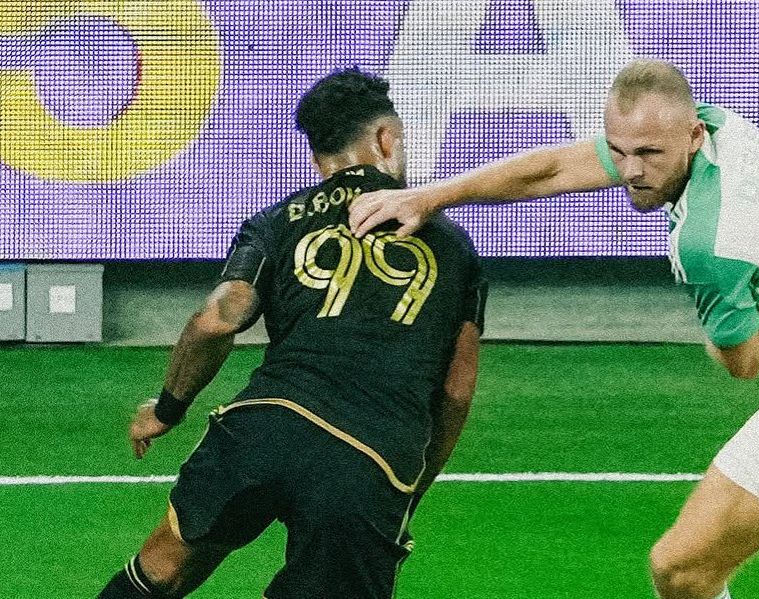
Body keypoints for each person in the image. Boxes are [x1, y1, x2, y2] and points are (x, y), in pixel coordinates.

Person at [348, 58, 759, 599]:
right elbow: (555, 167)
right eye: (621, 151)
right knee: (680, 571)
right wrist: (433, 195)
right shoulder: (720, 129)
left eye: (649, 155)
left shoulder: (710, 243)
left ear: (690, 136)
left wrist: (719, 317)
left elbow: (745, 363)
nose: (631, 171)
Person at [97, 67, 487, 599]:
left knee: (163, 568)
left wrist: (166, 409)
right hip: (368, 457)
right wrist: (406, 490)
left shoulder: (277, 221)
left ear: (317, 160)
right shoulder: (452, 244)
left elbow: (217, 320)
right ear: (386, 140)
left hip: (261, 428)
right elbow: (456, 390)